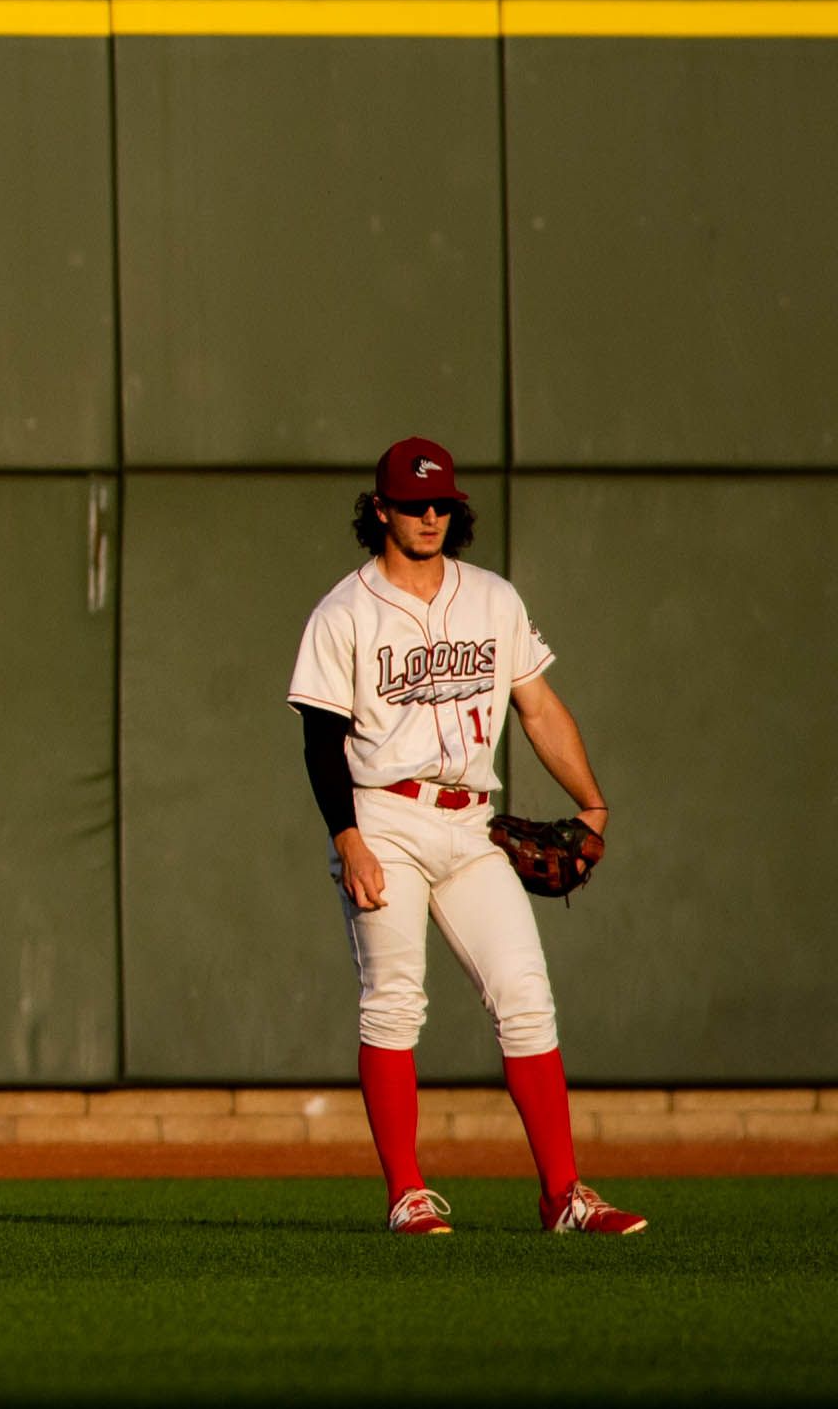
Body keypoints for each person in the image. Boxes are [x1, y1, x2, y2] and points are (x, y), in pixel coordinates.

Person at [285, 435, 646, 1237]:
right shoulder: (343, 612)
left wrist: (591, 803)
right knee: (392, 1004)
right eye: (412, 504)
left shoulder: (491, 598)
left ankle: (563, 1195)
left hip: (472, 821)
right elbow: (318, 740)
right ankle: (406, 1193)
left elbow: (539, 707)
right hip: (383, 817)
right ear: (378, 509)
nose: (428, 515)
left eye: (441, 502)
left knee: (524, 997)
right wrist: (346, 837)